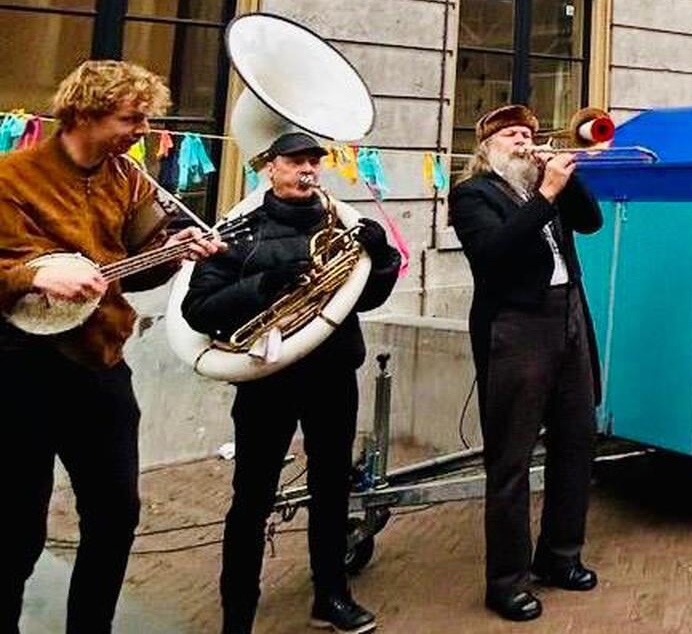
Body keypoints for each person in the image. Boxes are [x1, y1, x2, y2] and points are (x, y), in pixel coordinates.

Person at [0, 61, 222, 634]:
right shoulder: (12, 176)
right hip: (19, 369)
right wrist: (32, 278)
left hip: (99, 365)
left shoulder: (129, 178)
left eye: (146, 117)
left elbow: (134, 272)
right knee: (15, 527)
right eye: (131, 117)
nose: (142, 129)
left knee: (116, 514)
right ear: (84, 115)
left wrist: (174, 249)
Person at [183, 132, 402, 634]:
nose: (307, 170)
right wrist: (264, 284)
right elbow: (199, 310)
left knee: (332, 489)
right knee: (252, 497)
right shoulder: (239, 233)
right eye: (295, 161)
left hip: (332, 374)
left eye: (313, 161)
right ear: (270, 168)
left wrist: (381, 257)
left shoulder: (340, 226)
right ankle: (237, 610)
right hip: (266, 380)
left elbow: (366, 300)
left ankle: (332, 596)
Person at [450, 105, 606, 622]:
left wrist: (565, 176)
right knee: (512, 459)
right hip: (516, 328)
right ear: (488, 146)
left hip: (568, 319)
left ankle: (561, 557)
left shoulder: (547, 187)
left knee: (576, 443)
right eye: (513, 136)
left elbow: (591, 222)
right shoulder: (474, 195)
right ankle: (507, 581)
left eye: (529, 135)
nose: (524, 143)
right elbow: (496, 252)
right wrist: (546, 194)